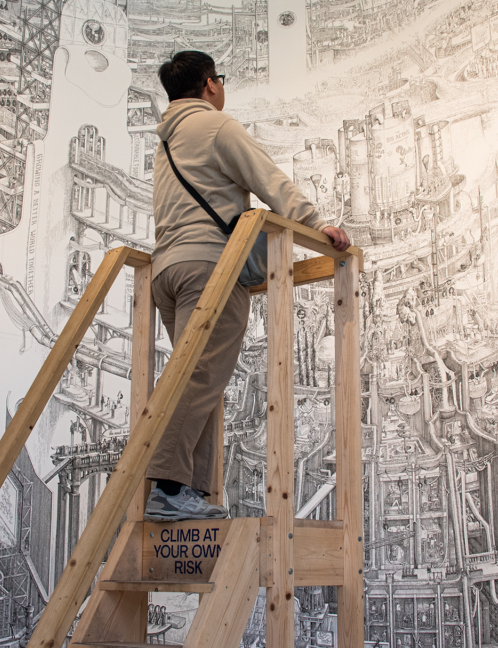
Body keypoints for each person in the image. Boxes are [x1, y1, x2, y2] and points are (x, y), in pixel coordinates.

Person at [144, 50, 350, 521]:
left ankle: (189, 494)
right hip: (210, 269)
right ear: (211, 84)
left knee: (198, 382)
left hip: (167, 273)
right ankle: (169, 489)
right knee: (200, 380)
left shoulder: (166, 143)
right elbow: (269, 180)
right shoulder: (217, 127)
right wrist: (318, 227)